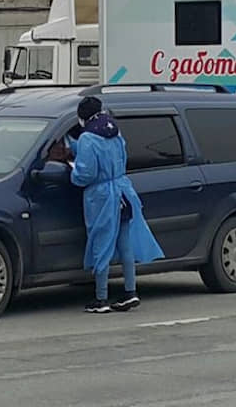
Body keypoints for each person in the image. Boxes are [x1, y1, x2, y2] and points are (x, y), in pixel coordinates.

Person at [69, 97, 165, 313]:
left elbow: (86, 173)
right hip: (123, 191)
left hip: (102, 196)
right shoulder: (115, 131)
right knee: (125, 244)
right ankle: (130, 292)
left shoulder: (87, 138)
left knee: (101, 244)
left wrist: (72, 172)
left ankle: (101, 299)